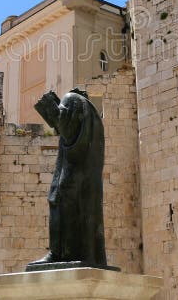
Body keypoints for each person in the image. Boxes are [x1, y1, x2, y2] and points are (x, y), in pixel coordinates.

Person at [26, 88, 109, 270]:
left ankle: (57, 253)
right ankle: (83, 253)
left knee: (57, 202)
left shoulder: (72, 99)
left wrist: (49, 106)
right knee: (83, 214)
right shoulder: (93, 114)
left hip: (71, 174)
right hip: (86, 174)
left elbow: (67, 128)